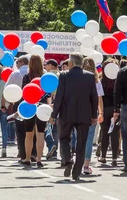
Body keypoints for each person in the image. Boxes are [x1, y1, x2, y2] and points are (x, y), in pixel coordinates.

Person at [50, 53, 98, 181]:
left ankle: (67, 160)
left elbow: (59, 96)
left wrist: (54, 114)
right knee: (82, 143)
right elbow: (94, 98)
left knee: (64, 138)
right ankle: (77, 171)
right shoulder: (90, 76)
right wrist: (94, 115)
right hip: (84, 114)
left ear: (71, 63)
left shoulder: (65, 75)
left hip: (67, 114)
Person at [21, 55, 49, 168]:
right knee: (40, 133)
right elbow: (48, 94)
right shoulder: (45, 78)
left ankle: (27, 158)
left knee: (29, 134)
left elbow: (24, 92)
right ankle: (39, 159)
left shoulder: (27, 77)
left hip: (29, 107)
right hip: (43, 107)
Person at [82, 57, 103, 175]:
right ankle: (86, 164)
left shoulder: (79, 79)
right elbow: (100, 99)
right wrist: (101, 112)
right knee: (89, 139)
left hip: (79, 111)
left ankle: (77, 161)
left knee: (78, 137)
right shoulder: (96, 81)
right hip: (92, 112)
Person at [6, 56, 29, 160]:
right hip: (33, 102)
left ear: (22, 62)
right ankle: (32, 152)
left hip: (19, 101)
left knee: (20, 129)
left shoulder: (15, 73)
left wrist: (9, 102)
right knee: (30, 129)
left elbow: (7, 87)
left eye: (18, 62)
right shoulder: (35, 71)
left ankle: (22, 152)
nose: (17, 64)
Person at [98, 59, 120, 166]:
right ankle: (115, 158)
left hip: (104, 109)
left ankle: (103, 156)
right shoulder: (119, 80)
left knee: (104, 133)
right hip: (116, 110)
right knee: (115, 133)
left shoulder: (101, 81)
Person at [44, 59, 60, 159]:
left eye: (46, 65)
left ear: (51, 65)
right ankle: (55, 150)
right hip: (60, 104)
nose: (45, 66)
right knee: (56, 129)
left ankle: (51, 146)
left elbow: (49, 93)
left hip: (50, 104)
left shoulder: (48, 76)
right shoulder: (62, 75)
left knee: (47, 127)